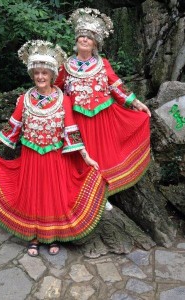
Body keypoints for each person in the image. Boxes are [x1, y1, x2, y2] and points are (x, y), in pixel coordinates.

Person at [0, 40, 106, 257]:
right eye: (37, 74)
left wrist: (86, 156)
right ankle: (33, 237)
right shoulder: (25, 99)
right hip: (31, 158)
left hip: (55, 158)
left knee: (53, 197)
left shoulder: (64, 100)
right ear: (33, 75)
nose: (41, 77)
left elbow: (71, 130)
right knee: (33, 196)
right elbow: (12, 126)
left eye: (45, 73)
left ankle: (52, 236)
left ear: (52, 75)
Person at [55, 8, 151, 208]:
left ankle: (103, 193)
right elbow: (55, 89)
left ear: (95, 43)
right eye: (81, 36)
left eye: (89, 38)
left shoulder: (103, 64)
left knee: (101, 156)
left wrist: (136, 103)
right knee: (80, 157)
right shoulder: (66, 66)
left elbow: (116, 86)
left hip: (102, 117)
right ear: (76, 40)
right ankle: (86, 194)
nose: (84, 40)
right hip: (77, 118)